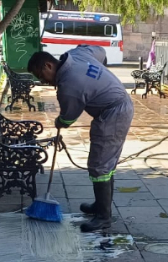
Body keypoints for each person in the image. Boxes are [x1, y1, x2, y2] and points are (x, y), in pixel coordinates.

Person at [27, 46, 134, 232]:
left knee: (100, 166)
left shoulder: (68, 86)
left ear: (48, 65)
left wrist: (59, 122)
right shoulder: (77, 54)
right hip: (115, 106)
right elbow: (100, 52)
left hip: (114, 113)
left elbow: (68, 118)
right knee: (103, 164)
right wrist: (98, 80)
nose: (43, 81)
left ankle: (104, 217)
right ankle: (100, 206)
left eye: (41, 76)